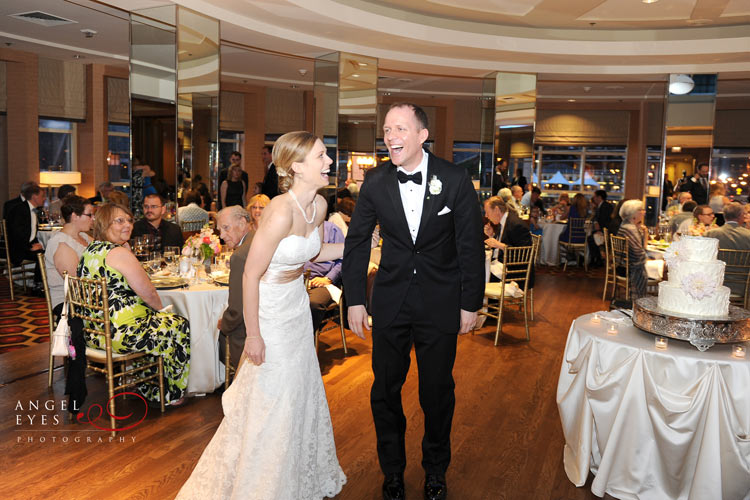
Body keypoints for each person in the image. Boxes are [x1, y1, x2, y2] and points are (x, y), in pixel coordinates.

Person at [177, 131, 346, 499]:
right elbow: (252, 273)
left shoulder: (317, 205)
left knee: (299, 388)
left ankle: (295, 474)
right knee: (275, 395)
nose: (329, 162)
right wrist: (253, 334)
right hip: (268, 308)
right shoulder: (279, 210)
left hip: (296, 308)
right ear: (297, 167)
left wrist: (358, 248)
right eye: (321, 156)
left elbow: (312, 253)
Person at [343, 102, 484, 500]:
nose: (390, 137)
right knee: (385, 391)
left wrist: (469, 303)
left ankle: (436, 471)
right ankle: (392, 472)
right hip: (390, 302)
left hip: (441, 303)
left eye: (400, 129)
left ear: (422, 135)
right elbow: (355, 244)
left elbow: (470, 246)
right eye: (387, 130)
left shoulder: (455, 180)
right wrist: (355, 300)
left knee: (437, 393)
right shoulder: (374, 183)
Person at [78, 203, 190, 406]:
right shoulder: (118, 254)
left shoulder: (90, 250)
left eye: (129, 220)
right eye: (119, 220)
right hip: (120, 336)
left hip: (94, 333)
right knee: (178, 324)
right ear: (104, 224)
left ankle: (145, 384)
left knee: (152, 323)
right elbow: (148, 293)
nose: (127, 225)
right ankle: (171, 394)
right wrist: (162, 310)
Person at [215, 205, 254, 369]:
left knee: (210, 331)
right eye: (219, 230)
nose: (222, 236)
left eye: (226, 228)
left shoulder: (240, 255)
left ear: (243, 222)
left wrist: (224, 324)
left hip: (247, 330)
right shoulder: (257, 240)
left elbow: (237, 310)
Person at [43, 195, 94, 315]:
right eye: (89, 215)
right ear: (75, 216)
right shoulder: (61, 243)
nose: (93, 218)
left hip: (89, 295)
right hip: (68, 303)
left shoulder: (84, 236)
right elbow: (77, 283)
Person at [304, 221, 345, 334]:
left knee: (313, 303)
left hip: (324, 281)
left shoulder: (332, 229)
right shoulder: (296, 227)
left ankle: (304, 340)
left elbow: (343, 260)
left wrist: (328, 278)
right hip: (299, 280)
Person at [484, 196, 534, 284]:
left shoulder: (516, 225)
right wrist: (492, 235)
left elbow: (524, 252)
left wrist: (499, 245)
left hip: (515, 270)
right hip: (502, 263)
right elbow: (506, 240)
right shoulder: (503, 221)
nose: (486, 216)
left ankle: (489, 297)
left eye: (487, 212)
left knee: (480, 273)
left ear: (496, 210)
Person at [7, 182, 47, 292]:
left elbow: (31, 233)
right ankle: (38, 286)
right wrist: (30, 247)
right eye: (42, 196)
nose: (44, 199)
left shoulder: (36, 210)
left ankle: (41, 284)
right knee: (43, 255)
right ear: (34, 197)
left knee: (47, 252)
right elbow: (16, 235)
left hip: (26, 246)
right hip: (17, 249)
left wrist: (36, 243)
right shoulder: (19, 210)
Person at [707, 202, 750, 297]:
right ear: (740, 216)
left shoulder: (710, 234)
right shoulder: (748, 235)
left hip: (713, 283)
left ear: (724, 215)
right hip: (743, 286)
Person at [617, 199, 649, 300]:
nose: (644, 212)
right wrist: (648, 258)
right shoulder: (630, 229)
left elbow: (641, 248)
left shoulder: (625, 225)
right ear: (633, 213)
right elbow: (638, 254)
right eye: (641, 210)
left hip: (623, 265)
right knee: (662, 267)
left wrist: (645, 232)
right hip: (630, 269)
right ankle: (643, 302)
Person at [587, 190, 613, 267]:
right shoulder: (601, 206)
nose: (593, 198)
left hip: (606, 232)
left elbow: (605, 221)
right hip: (602, 230)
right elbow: (595, 219)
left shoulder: (605, 206)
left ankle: (596, 260)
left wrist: (600, 231)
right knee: (591, 237)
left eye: (594, 196)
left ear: (599, 197)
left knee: (590, 238)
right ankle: (596, 259)